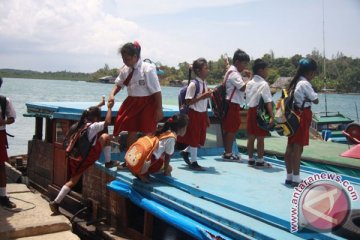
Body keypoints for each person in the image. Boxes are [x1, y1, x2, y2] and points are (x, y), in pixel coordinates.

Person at [49, 98, 118, 214]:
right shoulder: (93, 127)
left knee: (73, 179)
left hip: (74, 157)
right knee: (105, 136)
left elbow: (89, 113)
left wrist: (100, 105)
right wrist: (110, 108)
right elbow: (107, 122)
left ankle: (56, 202)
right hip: (86, 158)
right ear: (95, 118)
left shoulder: (79, 124)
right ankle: (108, 162)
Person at [108, 41, 163, 158]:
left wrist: (159, 109)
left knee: (148, 132)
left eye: (127, 59)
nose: (125, 62)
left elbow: (157, 91)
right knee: (131, 131)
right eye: (123, 59)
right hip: (132, 102)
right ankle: (130, 159)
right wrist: (112, 94)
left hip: (147, 103)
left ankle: (147, 159)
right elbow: (119, 84)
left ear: (135, 57)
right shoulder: (125, 69)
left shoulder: (147, 69)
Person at [284, 58, 319, 187]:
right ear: (310, 72)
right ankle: (297, 179)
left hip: (293, 116)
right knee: (298, 147)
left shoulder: (295, 83)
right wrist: (314, 92)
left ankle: (289, 176)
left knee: (291, 146)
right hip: (302, 116)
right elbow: (315, 100)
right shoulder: (305, 83)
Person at [177, 58, 213, 171]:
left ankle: (185, 152)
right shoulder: (193, 84)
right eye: (205, 68)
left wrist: (206, 116)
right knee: (194, 138)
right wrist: (203, 96)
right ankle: (194, 162)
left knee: (199, 138)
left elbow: (205, 102)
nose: (208, 70)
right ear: (198, 71)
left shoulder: (204, 83)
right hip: (194, 114)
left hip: (202, 114)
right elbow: (188, 101)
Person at [136, 114, 189, 183]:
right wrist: (166, 170)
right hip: (148, 160)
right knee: (169, 169)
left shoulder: (166, 132)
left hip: (142, 158)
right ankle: (142, 173)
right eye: (186, 127)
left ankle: (141, 170)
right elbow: (167, 156)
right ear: (182, 128)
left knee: (164, 165)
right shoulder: (171, 138)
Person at [221, 49, 251, 160]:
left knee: (231, 129)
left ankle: (227, 152)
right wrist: (251, 78)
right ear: (238, 62)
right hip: (232, 104)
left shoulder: (231, 71)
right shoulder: (234, 74)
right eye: (244, 63)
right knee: (231, 129)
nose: (245, 66)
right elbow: (243, 87)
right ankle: (228, 154)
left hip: (231, 103)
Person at [245, 59, 274, 167]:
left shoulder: (249, 83)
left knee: (251, 137)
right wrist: (271, 116)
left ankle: (251, 159)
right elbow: (268, 101)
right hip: (259, 112)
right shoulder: (264, 84)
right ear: (261, 70)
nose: (267, 72)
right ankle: (260, 160)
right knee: (260, 138)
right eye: (266, 70)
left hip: (250, 111)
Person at [0, 77, 17, 208]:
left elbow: (12, 118)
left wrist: (4, 122)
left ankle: (2, 196)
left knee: (0, 166)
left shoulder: (4, 101)